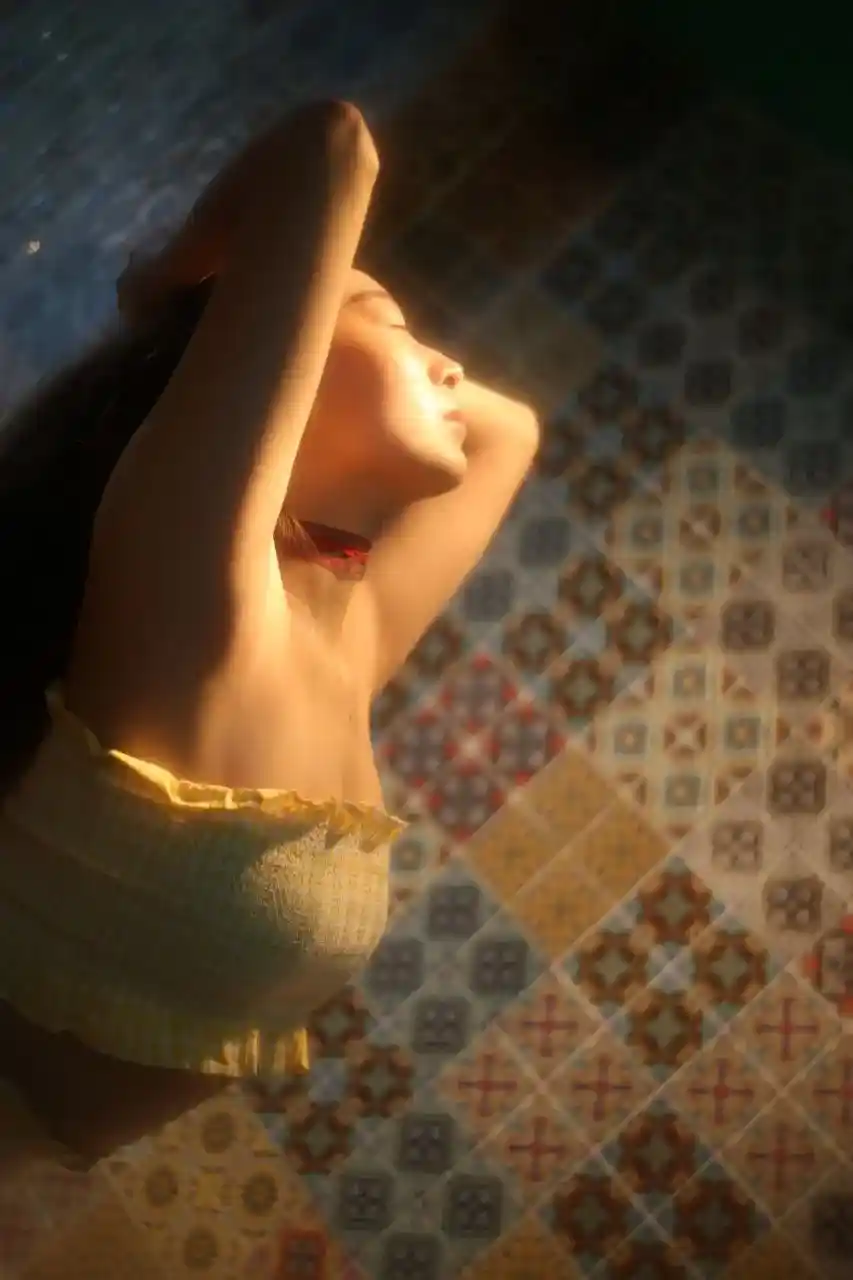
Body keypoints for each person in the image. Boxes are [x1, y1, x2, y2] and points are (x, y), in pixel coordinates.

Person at [0, 101, 540, 1171]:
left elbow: (508, 429)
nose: (447, 366)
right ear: (265, 379)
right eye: (397, 329)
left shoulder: (344, 637)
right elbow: (333, 147)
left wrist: (352, 327)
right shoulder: (195, 596)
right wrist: (172, 289)